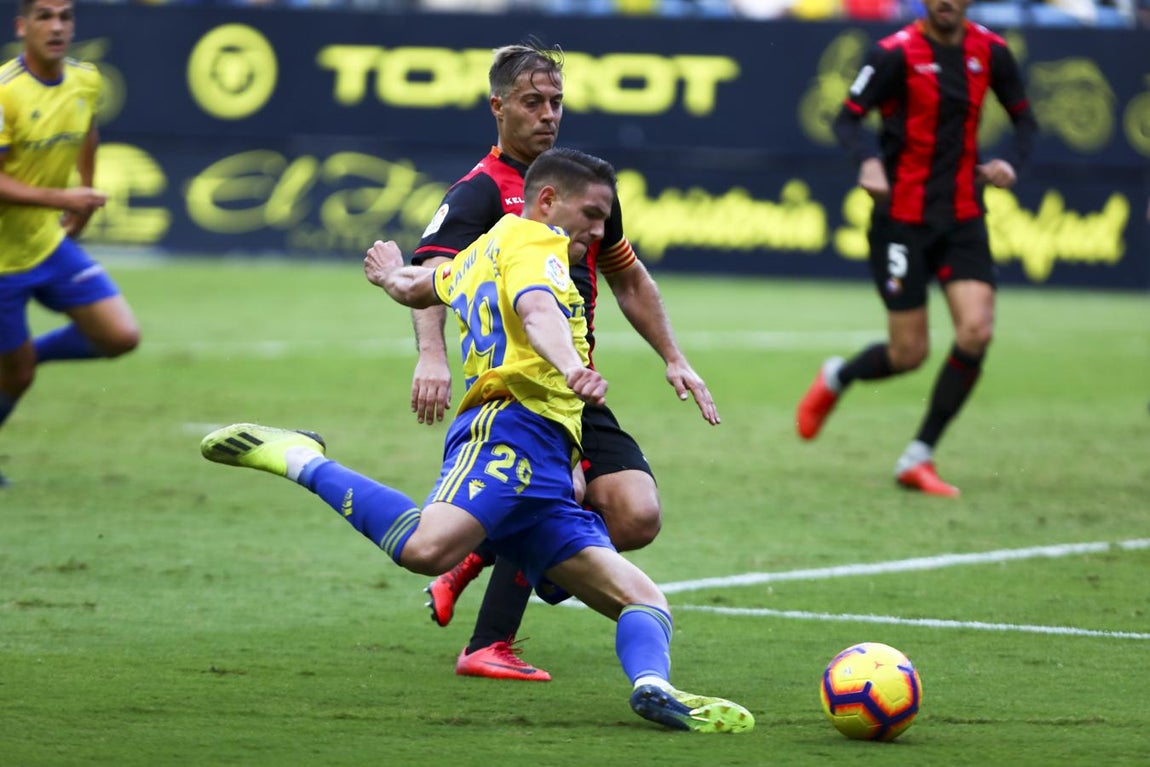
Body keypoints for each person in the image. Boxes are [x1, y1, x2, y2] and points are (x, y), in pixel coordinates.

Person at [200, 148, 754, 735]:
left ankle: (653, 688)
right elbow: (537, 312)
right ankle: (300, 458)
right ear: (548, 201)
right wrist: (571, 366)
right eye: (591, 215)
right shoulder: (536, 247)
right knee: (425, 549)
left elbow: (420, 285)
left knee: (644, 599)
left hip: (550, 455)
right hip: (507, 431)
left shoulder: (485, 249)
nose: (599, 231)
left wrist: (389, 274)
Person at [410, 42, 718, 681]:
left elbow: (628, 277)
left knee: (636, 514)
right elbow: (429, 276)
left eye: (555, 102)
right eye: (532, 102)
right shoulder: (478, 192)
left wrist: (674, 357)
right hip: (520, 389)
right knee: (560, 494)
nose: (548, 114)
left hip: (575, 385)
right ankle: (488, 641)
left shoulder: (580, 188)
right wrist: (432, 356)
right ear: (498, 108)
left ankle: (481, 552)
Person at [796, 0, 1037, 498]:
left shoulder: (991, 51)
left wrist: (1010, 162)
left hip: (963, 216)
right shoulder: (894, 53)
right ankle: (839, 375)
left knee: (976, 331)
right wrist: (868, 161)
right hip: (901, 221)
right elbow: (847, 120)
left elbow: (1025, 122)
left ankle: (918, 455)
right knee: (909, 354)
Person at [0, 0, 140, 487]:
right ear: (22, 26)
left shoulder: (85, 79)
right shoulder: (5, 92)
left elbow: (87, 132)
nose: (57, 26)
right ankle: (16, 363)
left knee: (120, 336)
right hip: (1, 261)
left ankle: (21, 354)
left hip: (45, 243)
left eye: (65, 16)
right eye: (44, 16)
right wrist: (63, 197)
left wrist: (84, 194)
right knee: (18, 378)